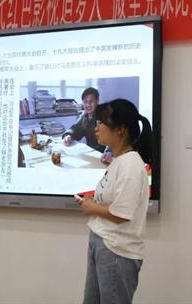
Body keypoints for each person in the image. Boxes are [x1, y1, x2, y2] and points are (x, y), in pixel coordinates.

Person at [75, 98, 152, 304]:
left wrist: (92, 207)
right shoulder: (119, 160)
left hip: (116, 250)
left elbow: (121, 214)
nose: (97, 127)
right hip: (102, 242)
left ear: (120, 130)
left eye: (102, 122)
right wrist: (93, 202)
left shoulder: (131, 166)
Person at [63, 87, 113, 164]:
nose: (88, 105)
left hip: (105, 155)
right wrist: (69, 136)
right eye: (85, 101)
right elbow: (76, 128)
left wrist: (110, 152)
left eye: (91, 101)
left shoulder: (104, 115)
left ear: (97, 101)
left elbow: (113, 136)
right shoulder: (84, 115)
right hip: (91, 153)